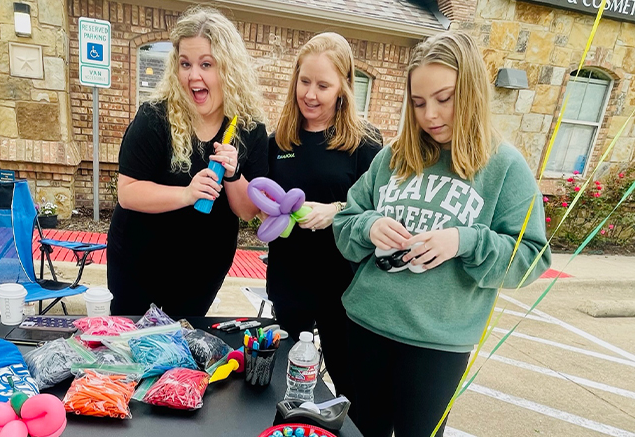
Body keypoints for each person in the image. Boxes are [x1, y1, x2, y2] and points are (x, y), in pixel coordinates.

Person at [332, 31, 551, 436]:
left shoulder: (505, 167)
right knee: (360, 432)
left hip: (437, 346)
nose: (430, 114)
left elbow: (531, 259)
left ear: (471, 91)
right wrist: (370, 226)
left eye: (444, 98)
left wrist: (463, 241)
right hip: (365, 325)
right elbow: (346, 221)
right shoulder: (394, 156)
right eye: (418, 102)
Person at [107, 6, 268, 317]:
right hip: (139, 262)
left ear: (228, 68)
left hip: (202, 268)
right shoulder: (154, 117)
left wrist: (233, 175)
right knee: (131, 350)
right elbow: (127, 193)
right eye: (185, 64)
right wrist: (186, 194)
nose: (194, 75)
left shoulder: (249, 129)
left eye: (206, 64)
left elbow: (249, 211)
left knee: (181, 350)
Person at [265, 32, 382, 397]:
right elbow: (263, 203)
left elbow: (382, 209)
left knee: (349, 383)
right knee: (285, 380)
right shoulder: (279, 140)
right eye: (304, 82)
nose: (310, 95)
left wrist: (335, 211)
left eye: (323, 85)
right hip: (289, 280)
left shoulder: (366, 143)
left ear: (343, 88)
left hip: (343, 285)